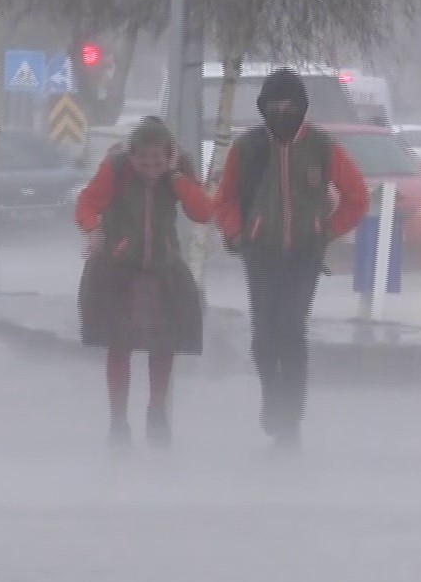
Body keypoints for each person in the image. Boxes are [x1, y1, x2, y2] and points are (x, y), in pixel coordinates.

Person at [214, 68, 368, 450]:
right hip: (260, 253)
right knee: (263, 337)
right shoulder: (247, 148)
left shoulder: (321, 147)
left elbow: (358, 197)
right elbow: (226, 197)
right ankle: (272, 395)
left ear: (302, 107)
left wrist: (327, 232)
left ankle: (291, 419)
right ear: (263, 107)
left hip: (303, 255)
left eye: (290, 106)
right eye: (274, 105)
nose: (282, 112)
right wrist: (235, 233)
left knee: (290, 331)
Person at [75, 116, 213, 450]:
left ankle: (157, 411)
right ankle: (118, 421)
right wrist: (94, 230)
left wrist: (177, 176)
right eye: (143, 162)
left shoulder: (177, 173)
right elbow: (87, 203)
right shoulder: (117, 169)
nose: (151, 170)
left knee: (163, 346)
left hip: (162, 270)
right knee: (118, 346)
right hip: (118, 271)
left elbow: (202, 211)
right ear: (132, 157)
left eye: (158, 163)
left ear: (168, 156)